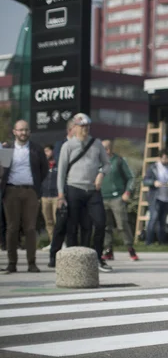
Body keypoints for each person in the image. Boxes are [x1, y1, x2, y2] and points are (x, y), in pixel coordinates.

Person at [57, 113, 112, 273]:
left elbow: (107, 164)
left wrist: (101, 174)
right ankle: (75, 261)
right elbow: (61, 172)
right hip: (74, 188)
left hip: (92, 190)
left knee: (100, 223)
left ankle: (97, 258)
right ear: (74, 127)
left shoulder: (96, 144)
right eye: (82, 126)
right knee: (74, 226)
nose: (85, 129)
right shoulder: (68, 146)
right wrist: (61, 194)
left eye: (87, 126)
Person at [0, 120, 48, 273]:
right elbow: (2, 172)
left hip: (30, 192)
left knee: (30, 228)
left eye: (26, 130)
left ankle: (31, 263)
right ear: (14, 131)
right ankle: (12, 263)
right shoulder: (7, 149)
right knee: (12, 228)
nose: (23, 133)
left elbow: (44, 170)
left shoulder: (36, 149)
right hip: (11, 191)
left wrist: (36, 187)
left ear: (29, 132)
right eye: (20, 130)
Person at [101, 140, 138, 261]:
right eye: (103, 148)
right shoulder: (98, 162)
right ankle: (108, 250)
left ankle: (130, 248)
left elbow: (131, 177)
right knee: (106, 226)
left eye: (107, 148)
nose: (106, 150)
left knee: (122, 224)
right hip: (102, 197)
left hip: (117, 197)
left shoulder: (118, 161)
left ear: (111, 148)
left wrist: (127, 192)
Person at [142, 151, 168, 246]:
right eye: (164, 158)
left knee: (162, 221)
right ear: (159, 158)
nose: (166, 160)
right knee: (153, 218)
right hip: (155, 197)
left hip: (166, 197)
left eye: (167, 158)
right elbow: (145, 181)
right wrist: (153, 182)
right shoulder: (153, 167)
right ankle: (149, 241)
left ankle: (162, 241)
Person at [40, 144, 59, 251]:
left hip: (56, 196)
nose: (45, 153)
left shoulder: (58, 164)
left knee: (58, 221)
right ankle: (53, 242)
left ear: (52, 151)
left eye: (47, 151)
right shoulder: (43, 165)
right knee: (48, 221)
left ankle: (61, 242)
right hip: (45, 196)